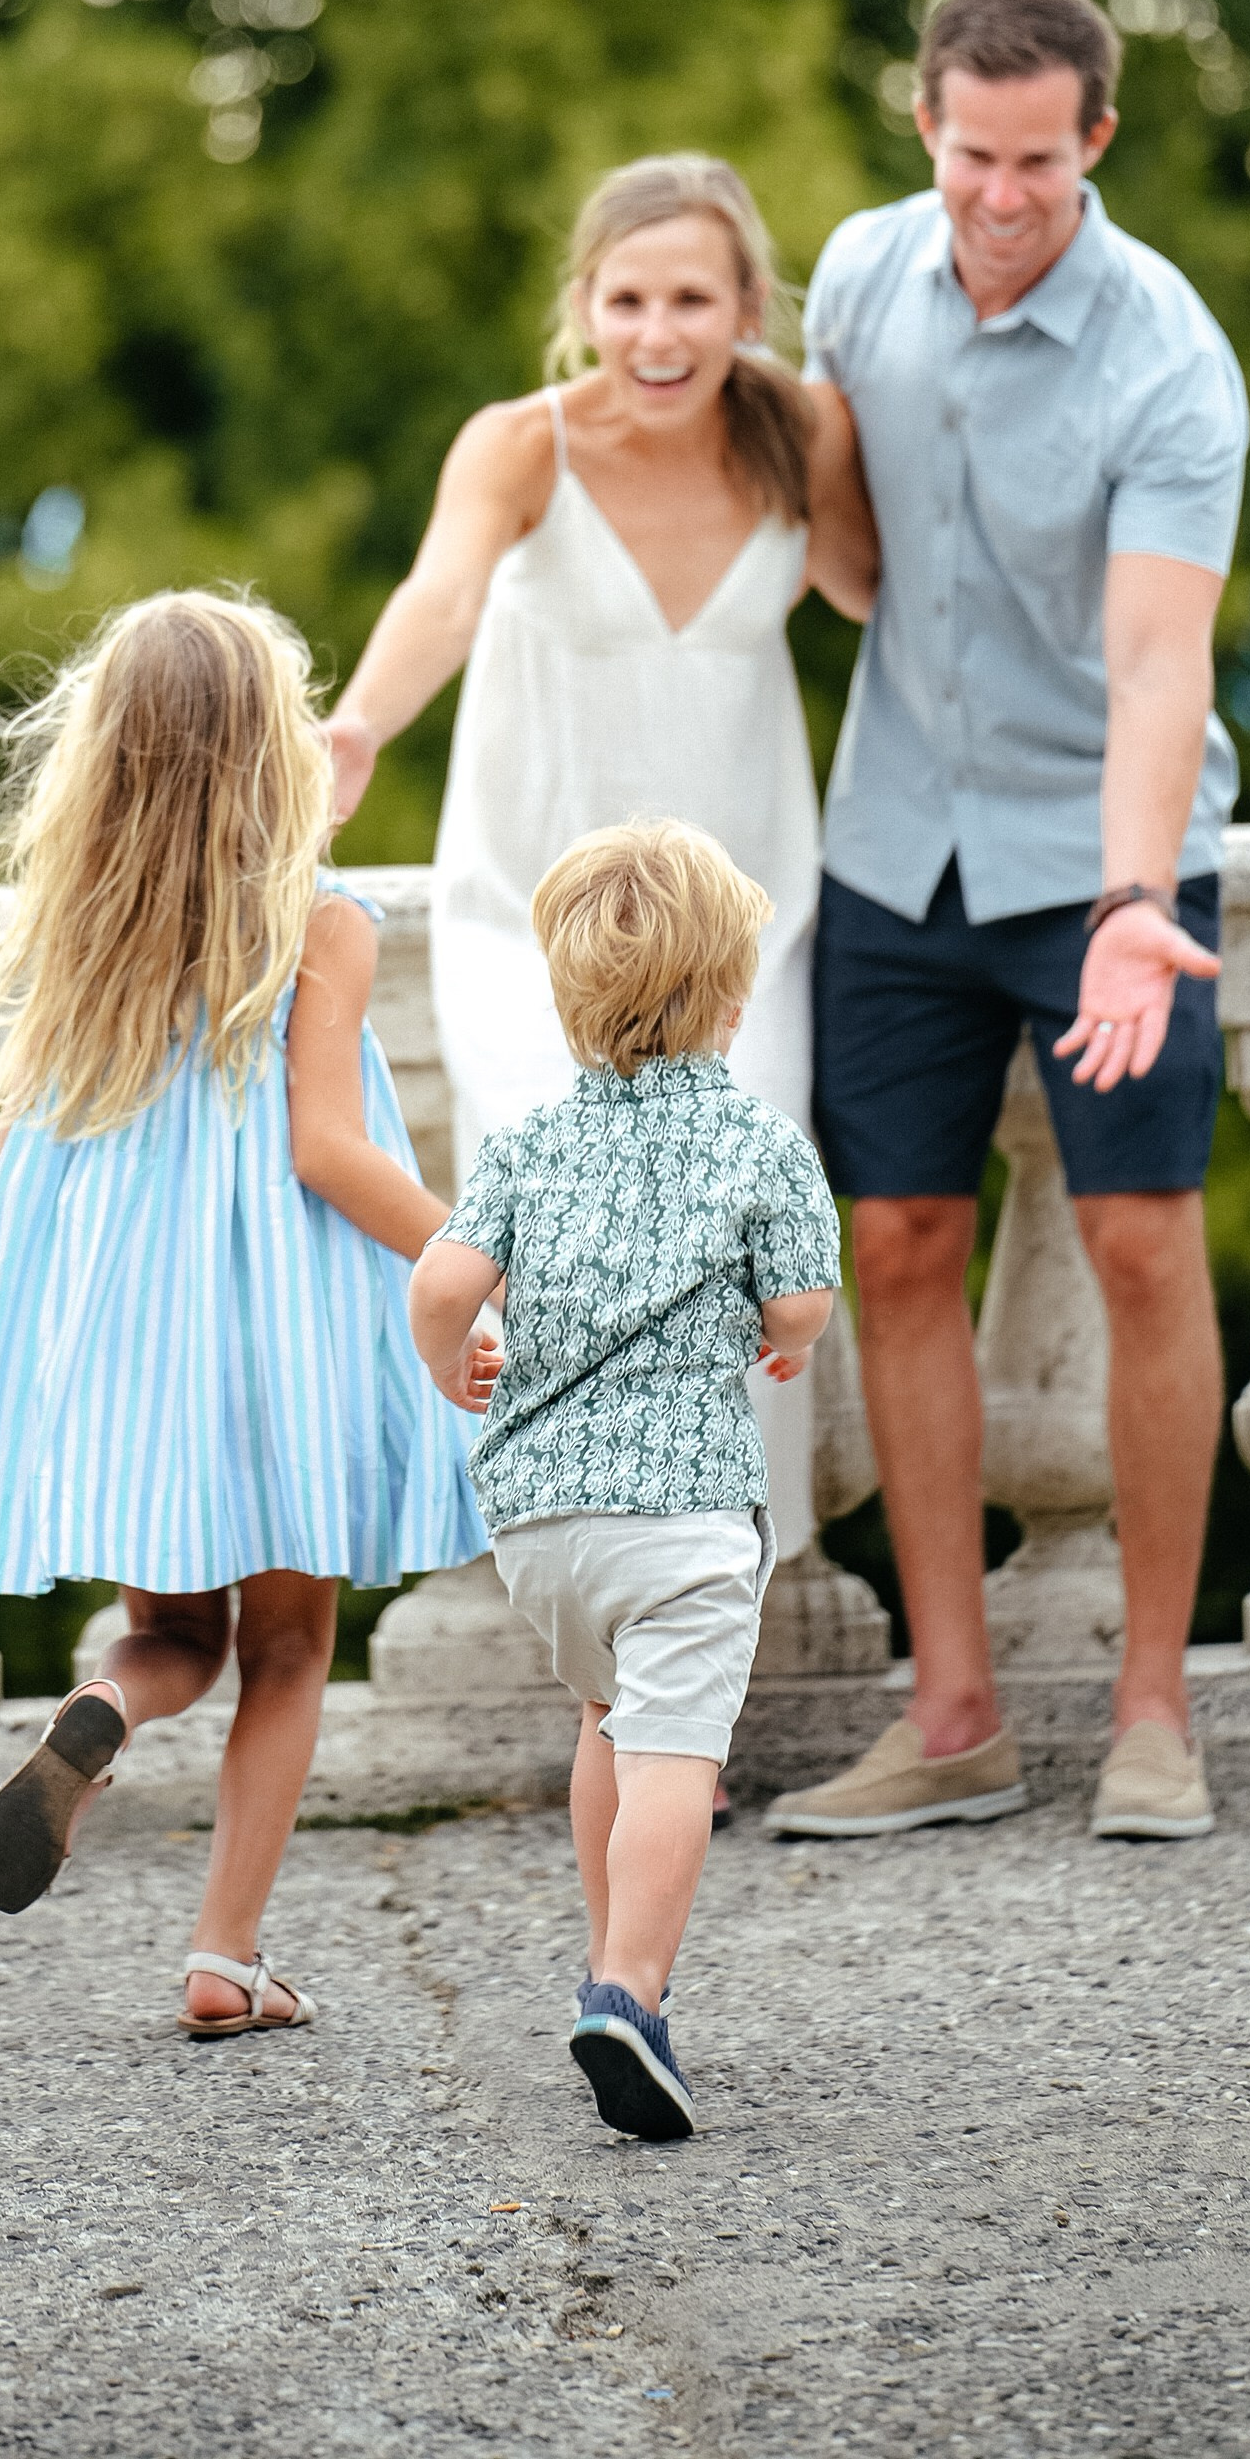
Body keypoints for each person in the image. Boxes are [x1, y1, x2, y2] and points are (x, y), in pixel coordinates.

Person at [771, 0, 1248, 1848]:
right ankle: (953, 1713)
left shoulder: (1165, 357)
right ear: (927, 128)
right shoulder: (862, 272)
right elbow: (852, 560)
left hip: (1105, 860)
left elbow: (1159, 667)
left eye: (1037, 162)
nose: (999, 195)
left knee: (1139, 1241)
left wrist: (1134, 896)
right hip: (895, 840)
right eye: (972, 155)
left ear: (1095, 142)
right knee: (892, 1238)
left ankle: (1153, 1710)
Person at [0, 590, 486, 2033]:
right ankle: (224, 1953)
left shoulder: (79, 932)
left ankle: (105, 1712)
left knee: (177, 1634)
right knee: (287, 1645)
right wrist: (481, 1249)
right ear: (276, 756)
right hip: (277, 1344)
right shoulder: (323, 924)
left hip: (136, 1345)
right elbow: (326, 1152)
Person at [326, 153, 875, 1557]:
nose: (660, 334)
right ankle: (596, 1639)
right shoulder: (521, 445)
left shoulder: (804, 435)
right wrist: (356, 729)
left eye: (693, 297)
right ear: (583, 302)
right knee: (556, 1265)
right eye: (628, 298)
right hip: (530, 934)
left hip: (741, 948)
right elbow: (441, 594)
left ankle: (705, 1653)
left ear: (750, 302)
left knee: (743, 1262)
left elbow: (887, 593)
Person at [412, 821, 840, 2142]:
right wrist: (787, 1337)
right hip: (685, 1516)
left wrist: (454, 1362)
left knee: (606, 1712)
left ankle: (609, 1957)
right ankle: (631, 1988)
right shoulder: (762, 1145)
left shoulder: (529, 1143)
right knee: (674, 1754)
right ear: (732, 994)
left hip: (542, 1524)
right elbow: (804, 1297)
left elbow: (441, 1284)